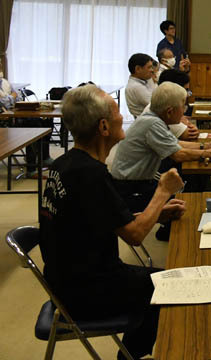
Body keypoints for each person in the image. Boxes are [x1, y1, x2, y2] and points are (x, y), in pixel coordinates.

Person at [39, 84, 187, 360]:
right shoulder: (91, 175)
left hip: (64, 280)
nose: (123, 118)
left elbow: (98, 220)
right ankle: (132, 356)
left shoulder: (65, 165)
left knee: (159, 277)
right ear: (104, 127)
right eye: (117, 112)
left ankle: (132, 354)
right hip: (86, 291)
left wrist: (157, 213)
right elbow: (133, 236)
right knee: (171, 283)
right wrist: (162, 192)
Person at [111, 82, 211, 223]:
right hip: (131, 189)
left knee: (191, 190)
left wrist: (205, 146)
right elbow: (178, 154)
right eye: (182, 107)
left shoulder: (153, 118)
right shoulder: (153, 124)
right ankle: (169, 233)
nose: (184, 111)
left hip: (137, 182)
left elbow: (174, 144)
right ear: (170, 111)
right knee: (188, 207)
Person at [124, 52, 156, 119]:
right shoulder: (136, 86)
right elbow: (157, 105)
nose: (152, 70)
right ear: (138, 69)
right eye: (149, 67)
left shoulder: (143, 80)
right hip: (147, 121)